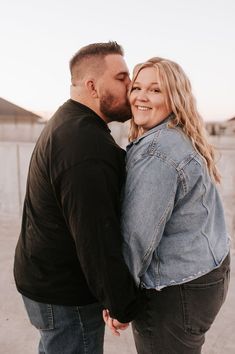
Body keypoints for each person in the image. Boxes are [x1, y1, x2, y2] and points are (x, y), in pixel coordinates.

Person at [13, 41, 142, 354]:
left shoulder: (68, 121)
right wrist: (122, 303)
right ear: (93, 86)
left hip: (44, 280)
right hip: (65, 295)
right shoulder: (86, 145)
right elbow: (96, 236)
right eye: (122, 78)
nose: (132, 85)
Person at [104, 57, 230, 353]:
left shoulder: (157, 153)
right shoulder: (178, 136)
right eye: (137, 87)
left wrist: (119, 301)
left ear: (174, 97)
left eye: (156, 90)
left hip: (176, 291)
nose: (141, 97)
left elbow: (137, 238)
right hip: (207, 273)